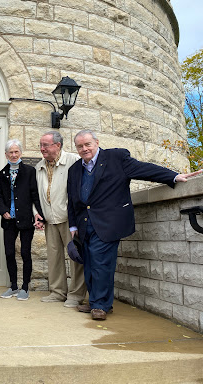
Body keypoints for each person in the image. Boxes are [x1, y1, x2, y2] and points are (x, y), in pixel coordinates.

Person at [67, 129, 202, 321]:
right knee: (89, 264)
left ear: (96, 143)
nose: (84, 149)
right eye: (80, 146)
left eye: (87, 144)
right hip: (84, 226)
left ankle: (100, 305)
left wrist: (173, 176)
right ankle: (97, 300)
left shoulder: (116, 157)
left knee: (101, 264)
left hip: (109, 223)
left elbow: (143, 169)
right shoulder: (74, 170)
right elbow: (71, 200)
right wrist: (73, 227)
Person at [33, 131, 87, 308]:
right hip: (50, 219)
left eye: (45, 145)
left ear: (58, 145)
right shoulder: (39, 167)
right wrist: (37, 213)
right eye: (41, 145)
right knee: (54, 258)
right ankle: (57, 292)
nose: (42, 149)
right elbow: (36, 194)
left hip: (69, 219)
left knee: (75, 257)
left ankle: (76, 295)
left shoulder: (73, 161)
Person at [0, 139, 43, 301]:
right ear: (6, 154)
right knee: (9, 253)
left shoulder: (30, 171)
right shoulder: (2, 173)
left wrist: (39, 214)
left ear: (20, 153)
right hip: (8, 221)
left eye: (16, 152)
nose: (14, 155)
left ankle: (25, 287)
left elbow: (34, 194)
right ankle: (13, 286)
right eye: (11, 152)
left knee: (25, 253)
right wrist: (3, 211)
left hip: (25, 220)